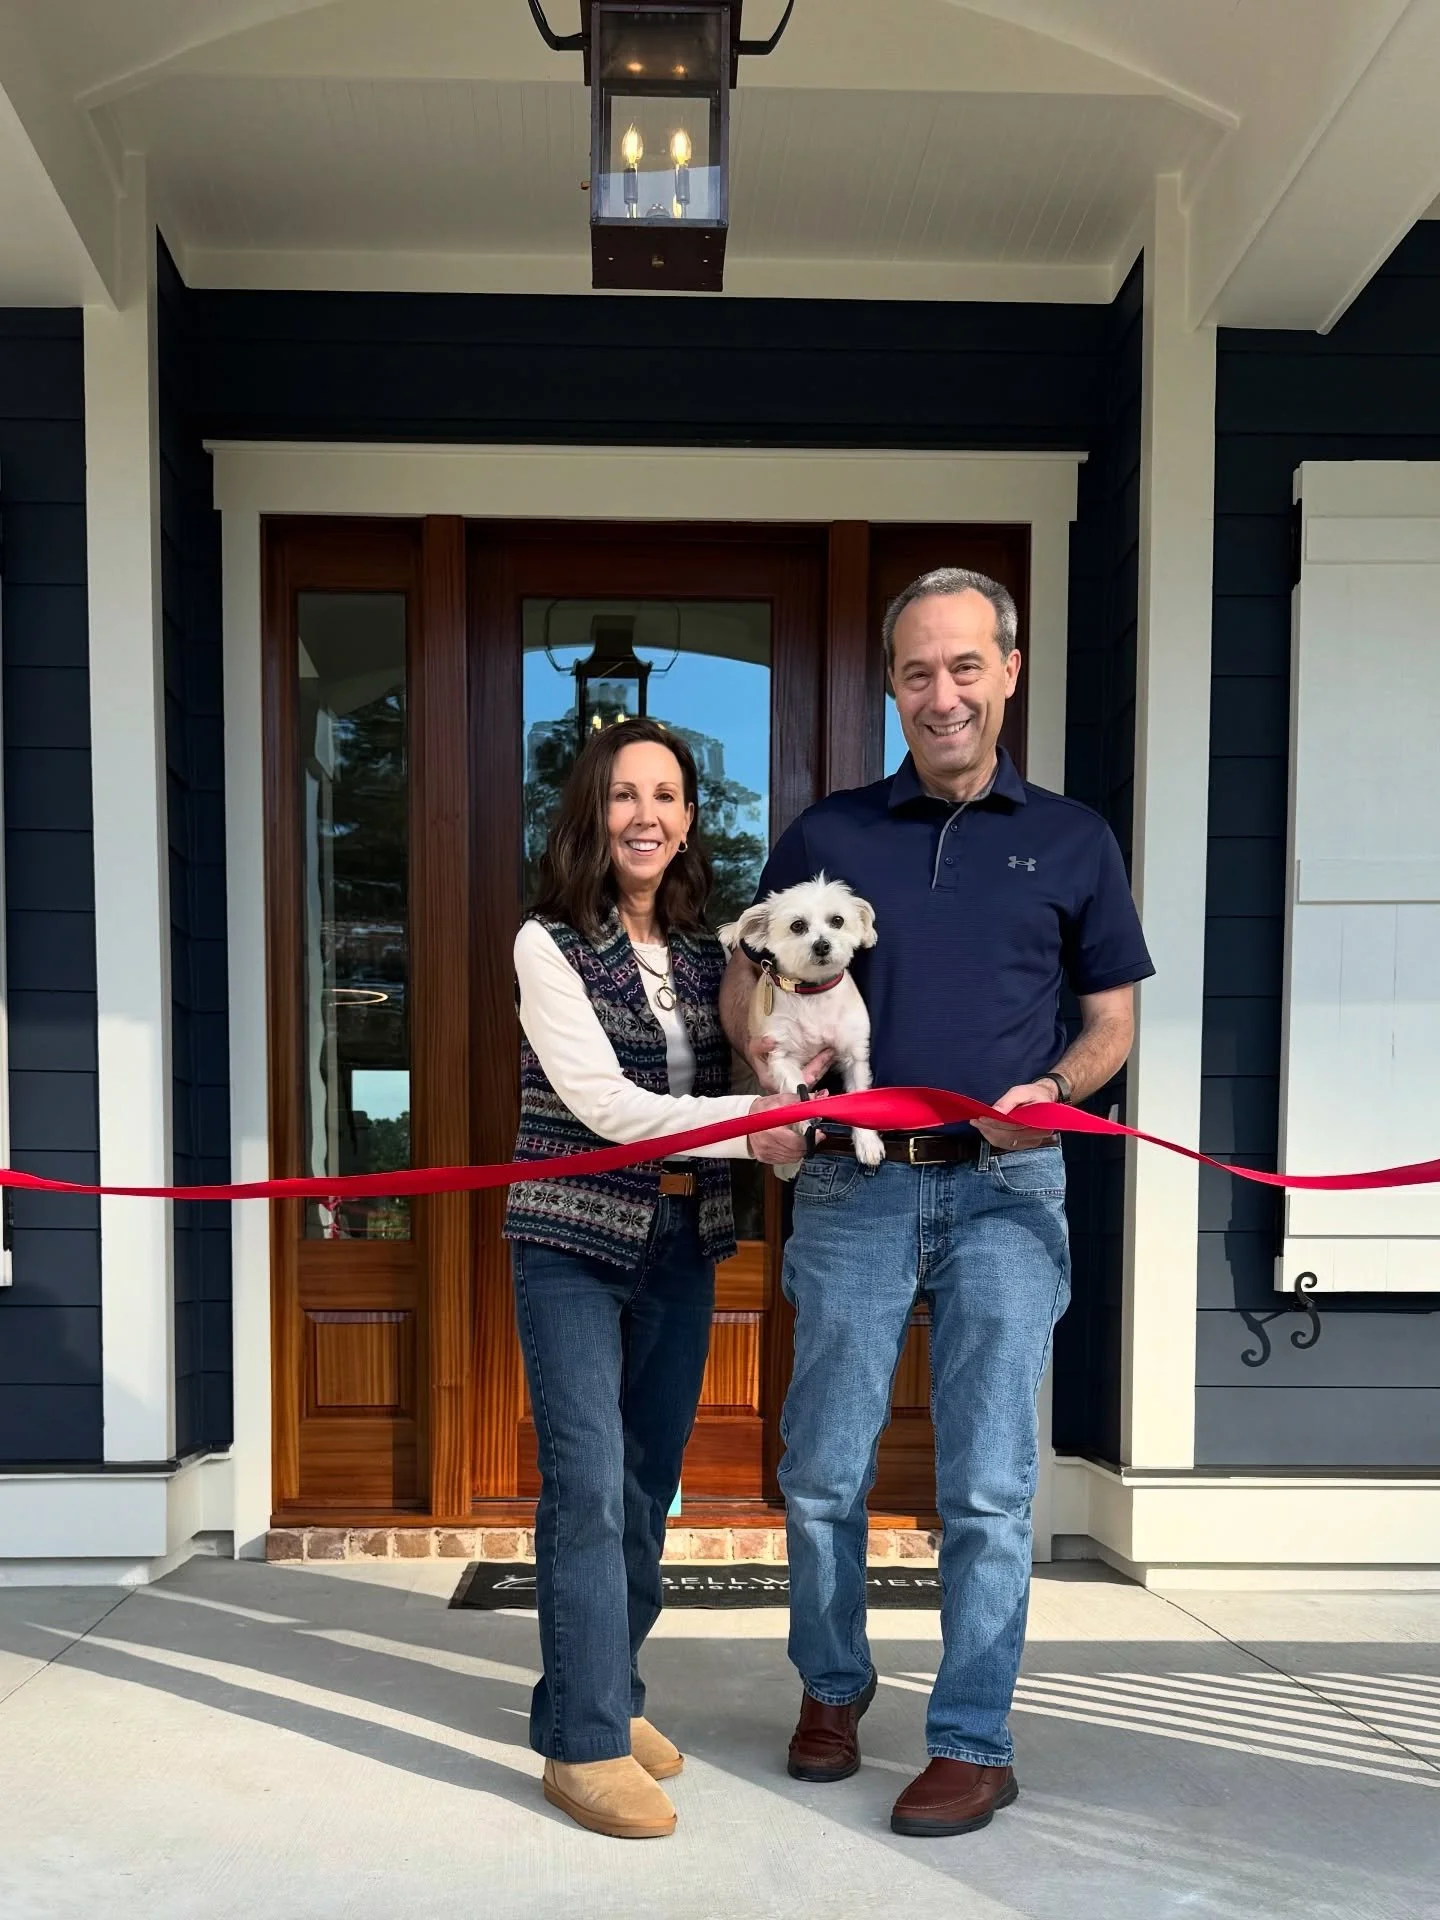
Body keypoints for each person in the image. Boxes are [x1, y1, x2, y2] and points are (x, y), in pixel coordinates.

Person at [721, 568, 1154, 1839]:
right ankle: (833, 1690)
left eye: (967, 666)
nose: (944, 692)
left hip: (1011, 1189)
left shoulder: (1075, 838)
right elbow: (755, 984)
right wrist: (766, 1064)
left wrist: (1057, 1089)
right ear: (893, 688)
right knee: (822, 1472)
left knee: (986, 1485)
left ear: (1009, 671)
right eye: (919, 671)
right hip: (855, 1193)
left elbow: (1112, 1019)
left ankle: (972, 1739)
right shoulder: (828, 836)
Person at [505, 716, 805, 1841]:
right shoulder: (547, 942)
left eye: (668, 796)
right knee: (585, 1487)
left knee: (642, 1491)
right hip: (572, 1241)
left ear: (688, 820)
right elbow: (609, 1110)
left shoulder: (710, 953)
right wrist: (756, 1123)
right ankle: (582, 1749)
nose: (647, 815)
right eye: (625, 794)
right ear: (593, 812)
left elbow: (776, 1050)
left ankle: (602, 1694)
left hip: (686, 1244)